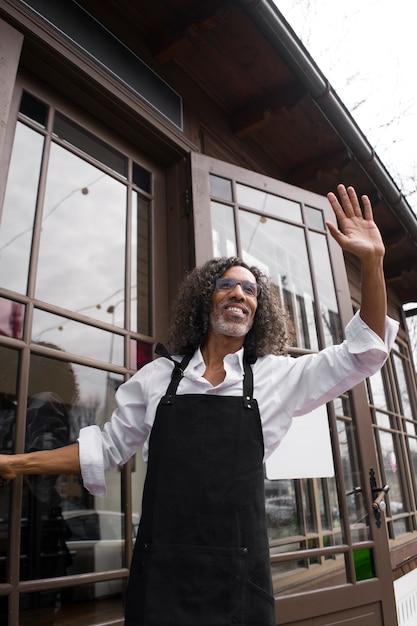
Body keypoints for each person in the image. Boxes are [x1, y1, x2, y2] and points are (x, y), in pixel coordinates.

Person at [0, 185, 399, 625]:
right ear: (204, 298)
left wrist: (372, 262)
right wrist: (15, 465)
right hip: (161, 577)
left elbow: (362, 353)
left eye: (250, 290)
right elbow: (106, 449)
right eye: (226, 284)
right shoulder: (156, 378)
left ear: (257, 311)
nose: (239, 294)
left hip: (239, 580)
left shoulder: (276, 376)